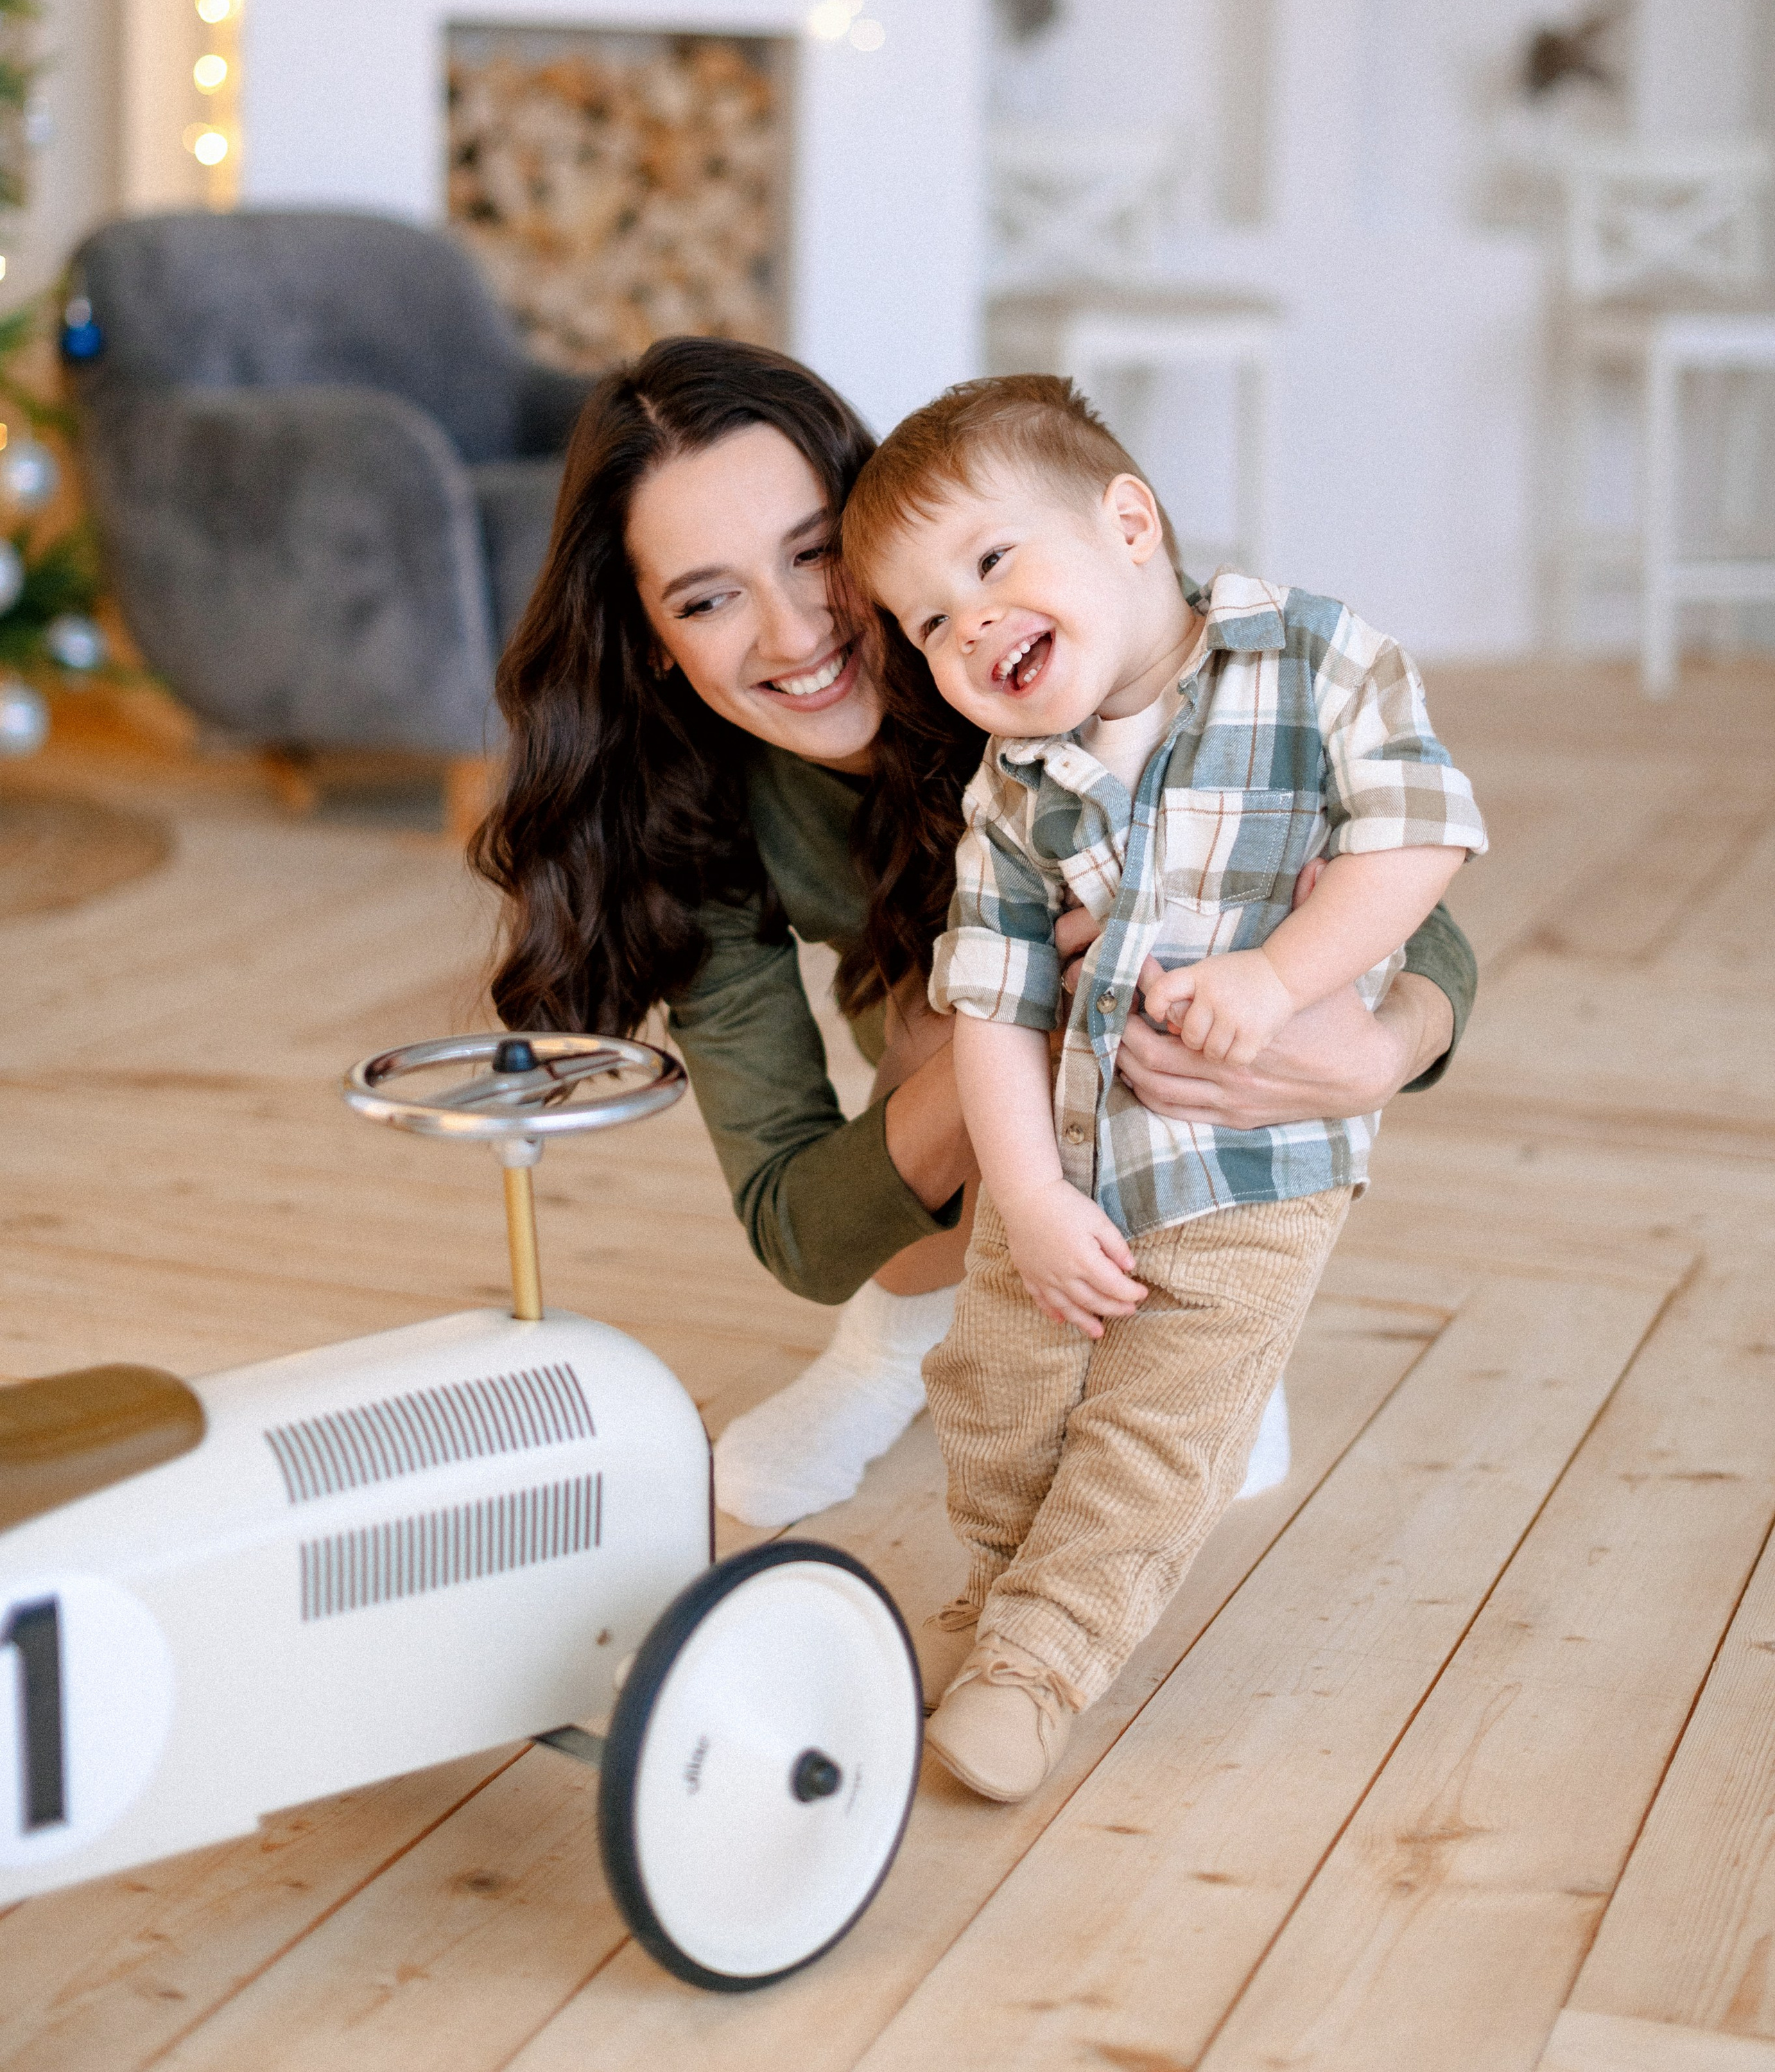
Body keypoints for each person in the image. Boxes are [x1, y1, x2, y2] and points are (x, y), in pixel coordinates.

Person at [474, 339, 1480, 1535]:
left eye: (814, 555)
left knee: (1254, 923)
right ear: (649, 636)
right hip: (978, 1097)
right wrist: (1018, 1016)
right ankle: (894, 1350)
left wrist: (1376, 1050)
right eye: (707, 598)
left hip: (1202, 1093)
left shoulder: (1043, 648)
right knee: (943, 1010)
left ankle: (1201, 1330)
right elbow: (800, 1227)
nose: (794, 636)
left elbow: (1414, 909)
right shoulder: (697, 819)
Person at [842, 374, 1487, 1800]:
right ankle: (1000, 1601)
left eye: (990, 562)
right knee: (993, 1388)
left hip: (1250, 1163)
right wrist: (1026, 1198)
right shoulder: (1012, 789)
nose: (968, 626)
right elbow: (993, 1004)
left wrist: (1277, 976)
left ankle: (1040, 1666)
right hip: (1066, 1153)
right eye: (928, 621)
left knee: (1157, 1429)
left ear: (1128, 524)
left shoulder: (1314, 658)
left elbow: (1419, 840)